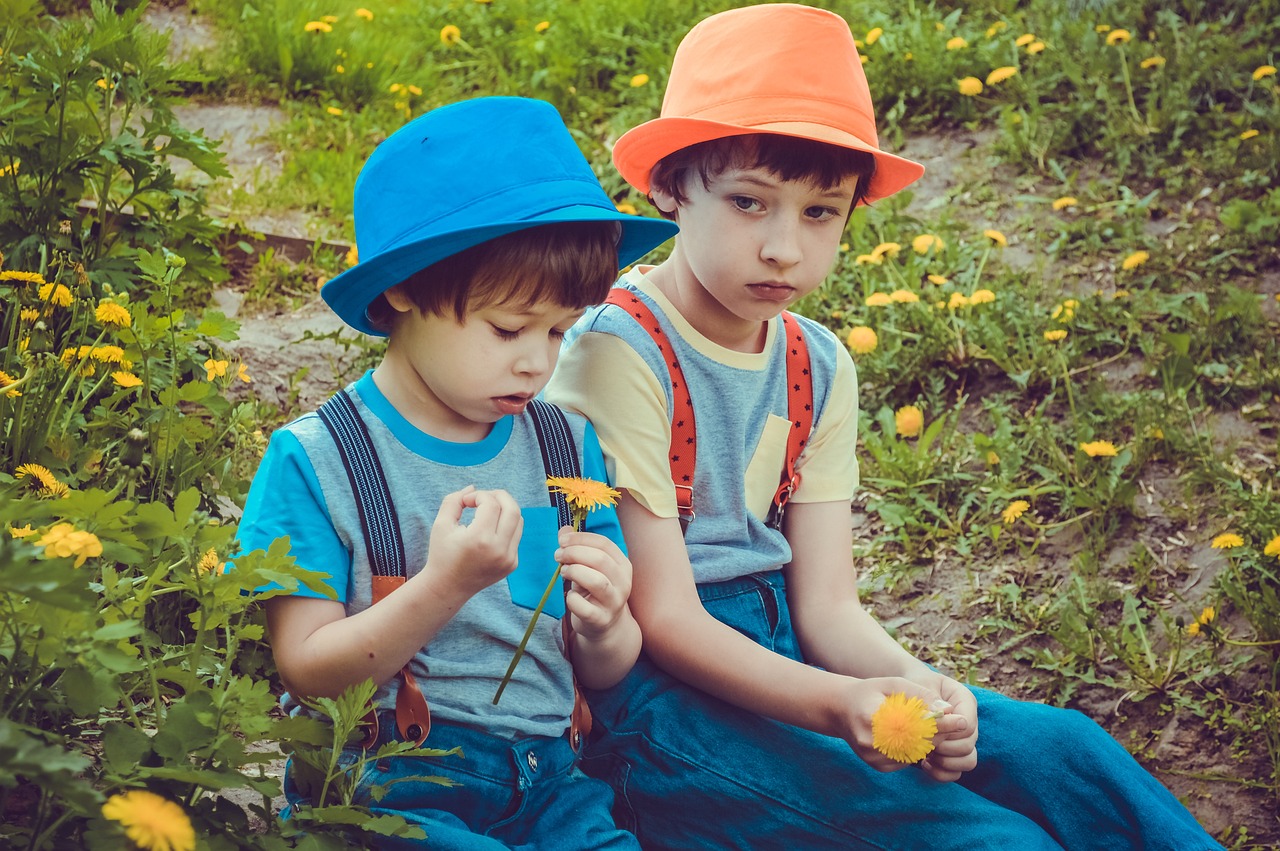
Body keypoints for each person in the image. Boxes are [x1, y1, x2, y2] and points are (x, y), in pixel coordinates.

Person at [544, 5, 1223, 849]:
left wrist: (921, 684)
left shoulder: (818, 362)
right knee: (985, 837)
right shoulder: (621, 350)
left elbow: (827, 606)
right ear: (670, 188)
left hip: (794, 653)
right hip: (665, 703)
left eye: (820, 212)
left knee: (1063, 753)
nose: (784, 248)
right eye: (749, 203)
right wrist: (839, 705)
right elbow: (668, 619)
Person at [236, 96, 677, 849]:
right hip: (387, 779)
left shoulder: (566, 447)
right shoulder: (319, 458)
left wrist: (607, 623)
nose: (536, 361)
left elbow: (602, 669)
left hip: (552, 782)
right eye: (508, 328)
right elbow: (307, 669)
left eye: (559, 331)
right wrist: (445, 584)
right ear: (404, 286)